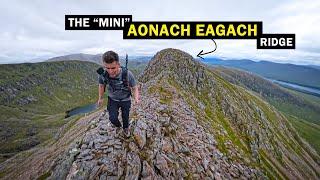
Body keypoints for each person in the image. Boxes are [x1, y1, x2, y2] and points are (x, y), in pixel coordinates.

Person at [97, 51, 140, 137]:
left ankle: (125, 128)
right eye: (107, 68)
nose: (110, 71)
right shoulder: (103, 75)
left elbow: (134, 87)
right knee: (112, 118)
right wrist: (100, 98)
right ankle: (118, 126)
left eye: (113, 68)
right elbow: (101, 86)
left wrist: (136, 98)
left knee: (125, 117)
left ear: (118, 64)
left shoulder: (127, 74)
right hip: (112, 100)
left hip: (126, 99)